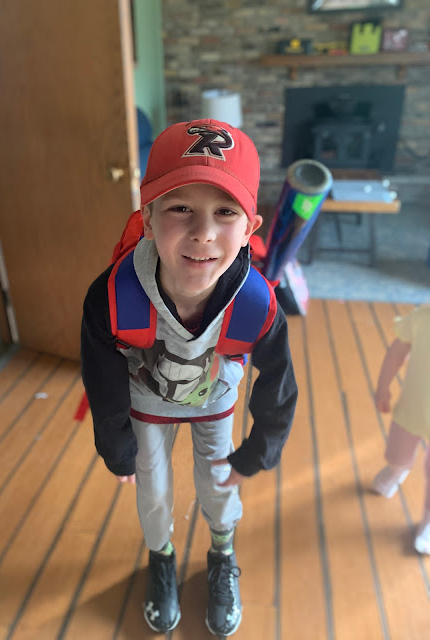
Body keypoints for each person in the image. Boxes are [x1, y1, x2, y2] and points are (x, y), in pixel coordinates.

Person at [81, 119, 298, 636]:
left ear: (250, 228)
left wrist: (261, 447)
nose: (203, 233)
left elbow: (278, 378)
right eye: (180, 208)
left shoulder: (257, 303)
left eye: (225, 212)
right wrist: (117, 446)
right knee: (153, 490)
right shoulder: (112, 295)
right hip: (145, 402)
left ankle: (221, 552)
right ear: (148, 216)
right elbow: (102, 377)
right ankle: (162, 555)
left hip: (214, 400)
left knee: (218, 483)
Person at [372, 305, 430, 554]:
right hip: (412, 409)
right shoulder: (422, 318)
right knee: (397, 454)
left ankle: (428, 520)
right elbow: (397, 351)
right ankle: (397, 469)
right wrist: (383, 387)